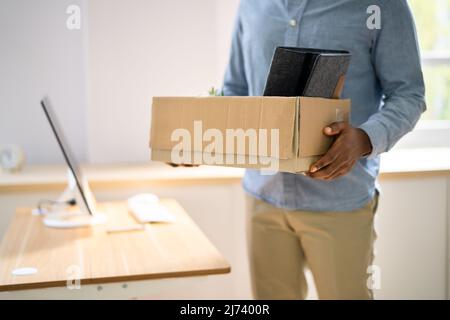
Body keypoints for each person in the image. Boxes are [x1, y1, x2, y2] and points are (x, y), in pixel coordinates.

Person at [222, 0, 426, 300]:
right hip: (262, 197)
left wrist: (365, 138)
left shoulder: (382, 6)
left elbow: (409, 94)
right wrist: (191, 142)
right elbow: (234, 90)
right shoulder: (251, 4)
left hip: (341, 201)